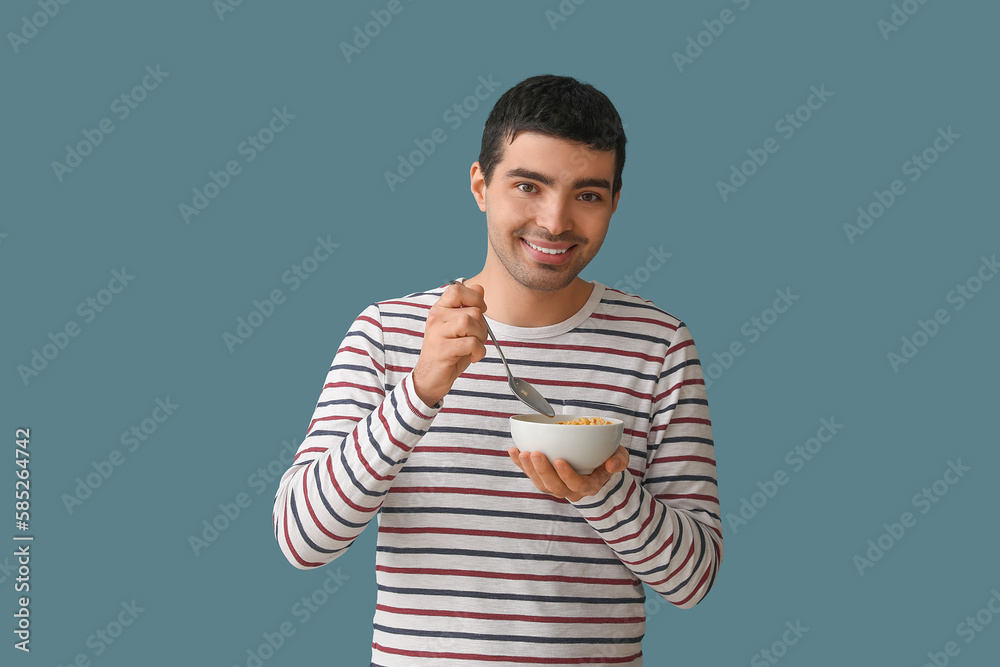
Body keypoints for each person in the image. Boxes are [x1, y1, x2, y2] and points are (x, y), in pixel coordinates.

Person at [273, 74, 722, 666]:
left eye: (587, 194)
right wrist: (419, 390)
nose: (556, 221)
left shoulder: (659, 345)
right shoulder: (388, 333)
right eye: (529, 186)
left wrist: (605, 493)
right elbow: (302, 540)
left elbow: (693, 582)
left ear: (614, 201)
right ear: (480, 185)